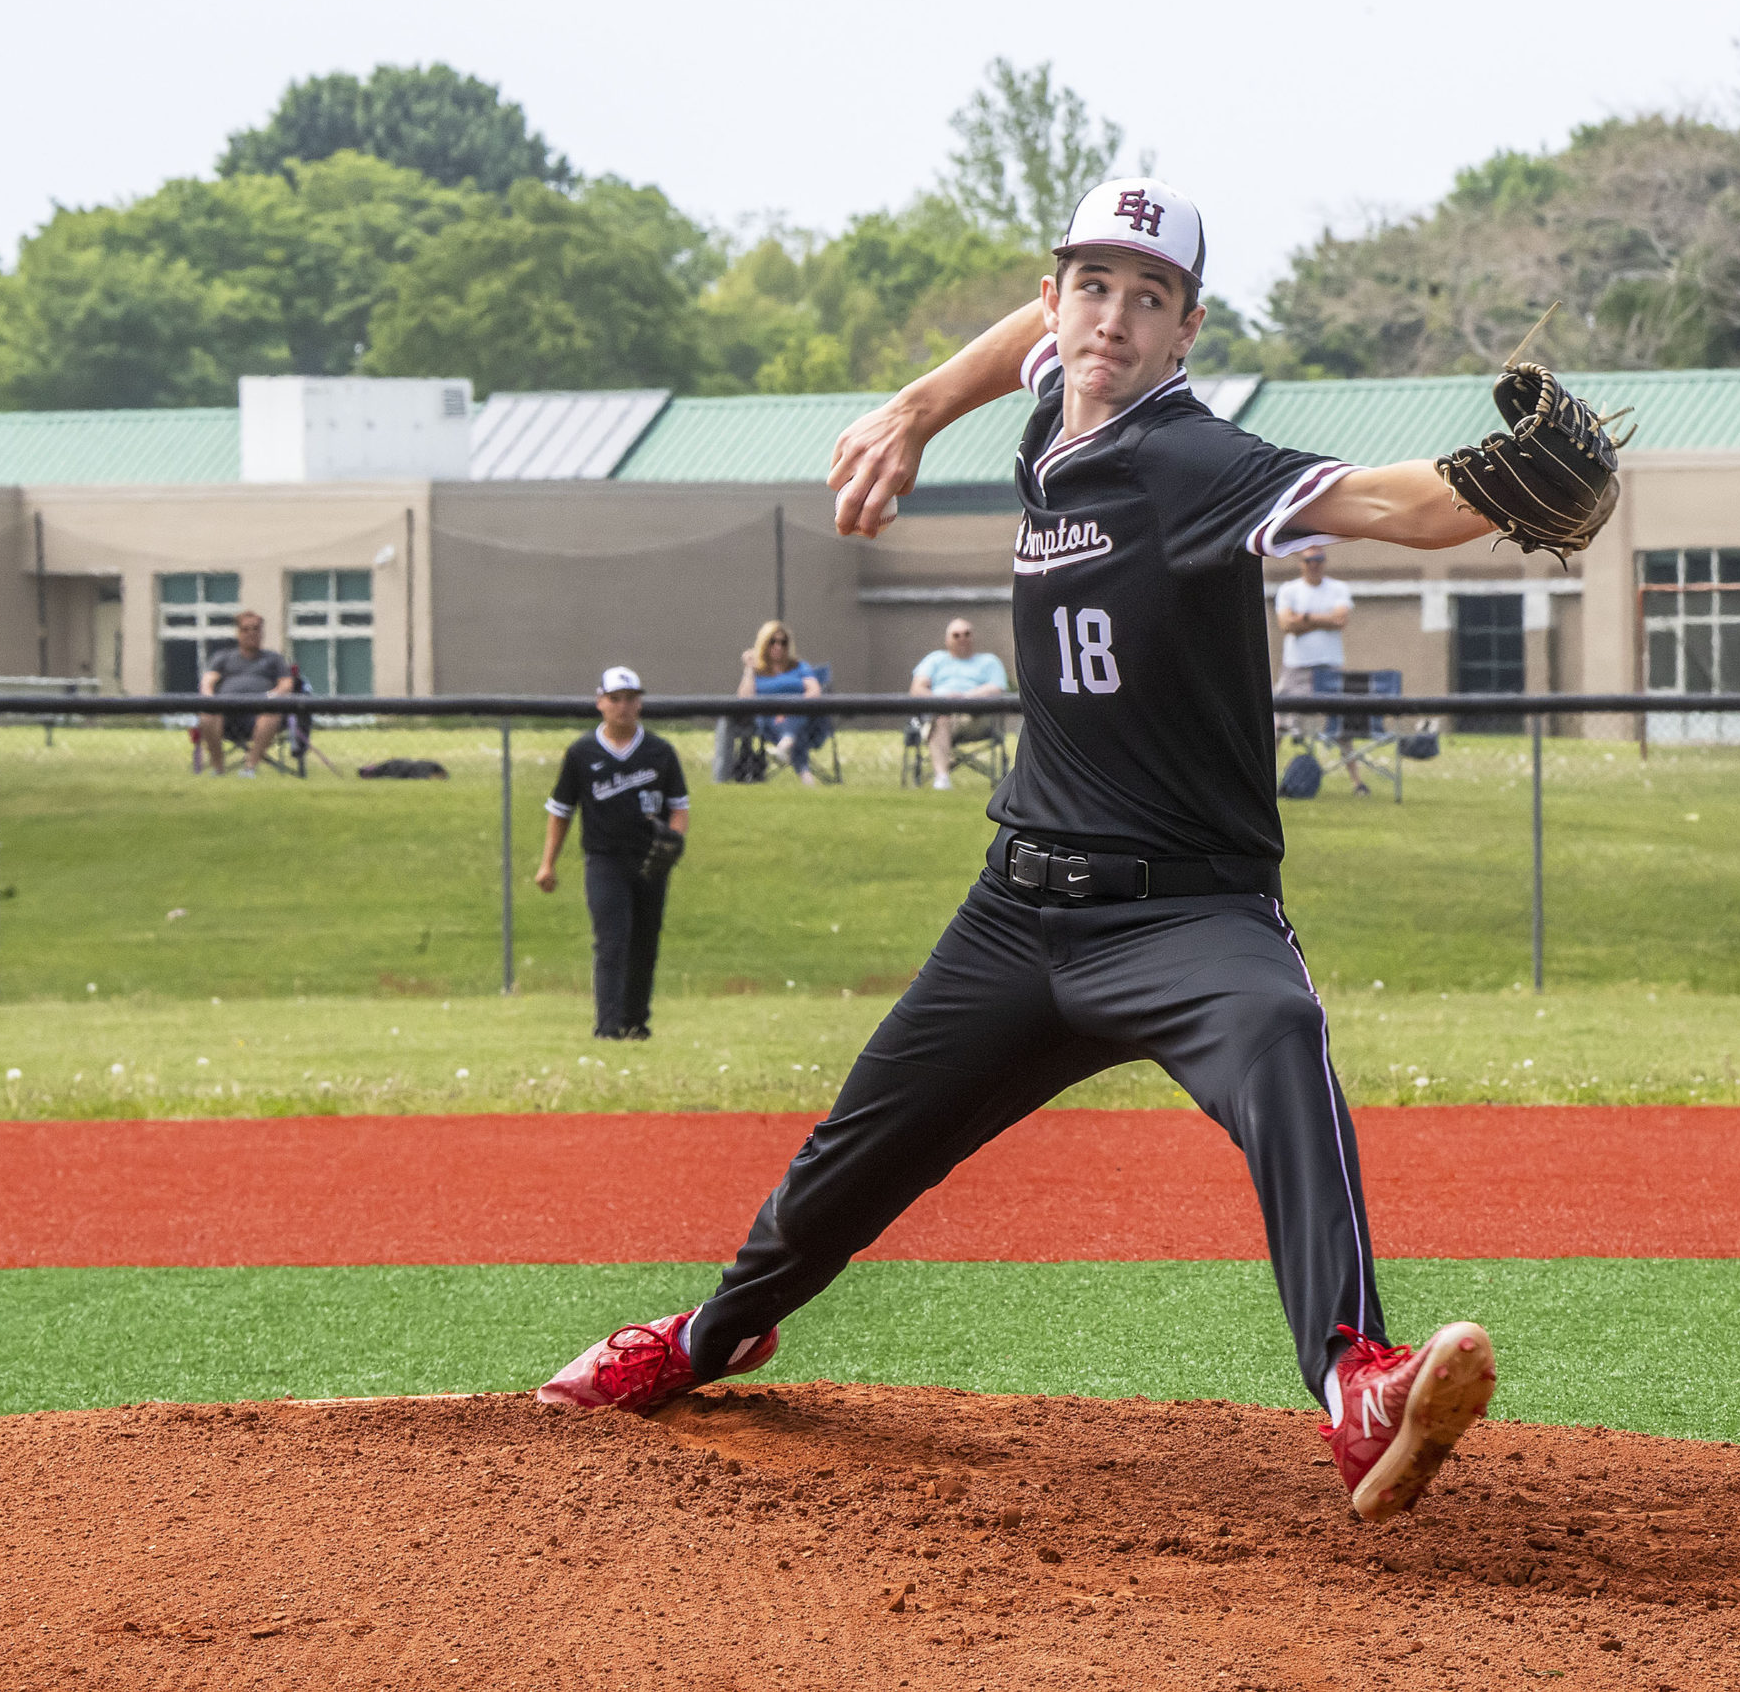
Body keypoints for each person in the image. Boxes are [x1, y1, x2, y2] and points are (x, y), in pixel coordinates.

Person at [541, 179, 1511, 1525]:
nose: (1111, 318)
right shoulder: (1065, 378)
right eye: (1091, 285)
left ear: (1189, 330)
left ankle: (1356, 1380)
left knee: (1282, 1033)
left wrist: (1505, 484)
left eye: (1149, 297)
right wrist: (913, 409)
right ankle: (713, 1336)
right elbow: (1024, 339)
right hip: (1018, 911)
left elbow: (1393, 507)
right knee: (845, 1161)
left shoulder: (1192, 458)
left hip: (1187, 916)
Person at [535, 666, 690, 1041]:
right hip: (604, 860)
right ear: (600, 702)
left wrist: (673, 842)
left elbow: (679, 808)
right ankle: (607, 1027)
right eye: (616, 699)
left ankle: (636, 1022)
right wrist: (547, 864)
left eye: (631, 699)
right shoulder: (583, 753)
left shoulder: (659, 751)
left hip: (651, 860)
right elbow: (561, 812)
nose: (623, 706)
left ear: (640, 703)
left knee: (645, 942)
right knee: (612, 941)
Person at [1273, 548, 1369, 794]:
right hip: (1295, 668)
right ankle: (1266, 780)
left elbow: (1340, 620)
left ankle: (1357, 783)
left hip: (1330, 668)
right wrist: (1321, 620)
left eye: (1319, 560)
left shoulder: (1338, 589)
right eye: (1309, 560)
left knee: (1341, 727)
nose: (1314, 565)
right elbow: (1286, 624)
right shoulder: (1289, 590)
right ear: (1300, 562)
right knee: (1277, 724)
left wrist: (1303, 618)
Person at [908, 617, 1008, 789]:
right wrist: (943, 700)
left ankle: (944, 761)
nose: (962, 638)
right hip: (940, 716)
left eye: (967, 634)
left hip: (975, 718)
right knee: (941, 719)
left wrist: (966, 696)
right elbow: (917, 688)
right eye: (956, 635)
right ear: (947, 640)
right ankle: (942, 779)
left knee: (950, 718)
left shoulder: (989, 662)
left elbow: (996, 689)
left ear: (973, 637)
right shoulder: (935, 660)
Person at [198, 610, 294, 776]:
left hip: (259, 712)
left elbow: (286, 684)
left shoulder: (274, 659)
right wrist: (209, 697)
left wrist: (272, 696)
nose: (251, 633)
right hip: (227, 713)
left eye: (256, 629)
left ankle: (249, 767)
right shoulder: (223, 657)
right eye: (246, 629)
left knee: (272, 713)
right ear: (238, 632)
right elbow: (208, 681)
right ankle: (218, 767)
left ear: (262, 632)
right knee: (207, 715)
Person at [743, 620, 827, 786]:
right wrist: (748, 669)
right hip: (768, 721)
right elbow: (745, 700)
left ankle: (786, 743)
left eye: (783, 642)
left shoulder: (800, 667)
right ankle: (804, 772)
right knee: (797, 734)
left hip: (800, 714)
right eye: (772, 641)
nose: (778, 646)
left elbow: (814, 691)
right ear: (764, 644)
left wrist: (789, 710)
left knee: (799, 721)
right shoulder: (757, 671)